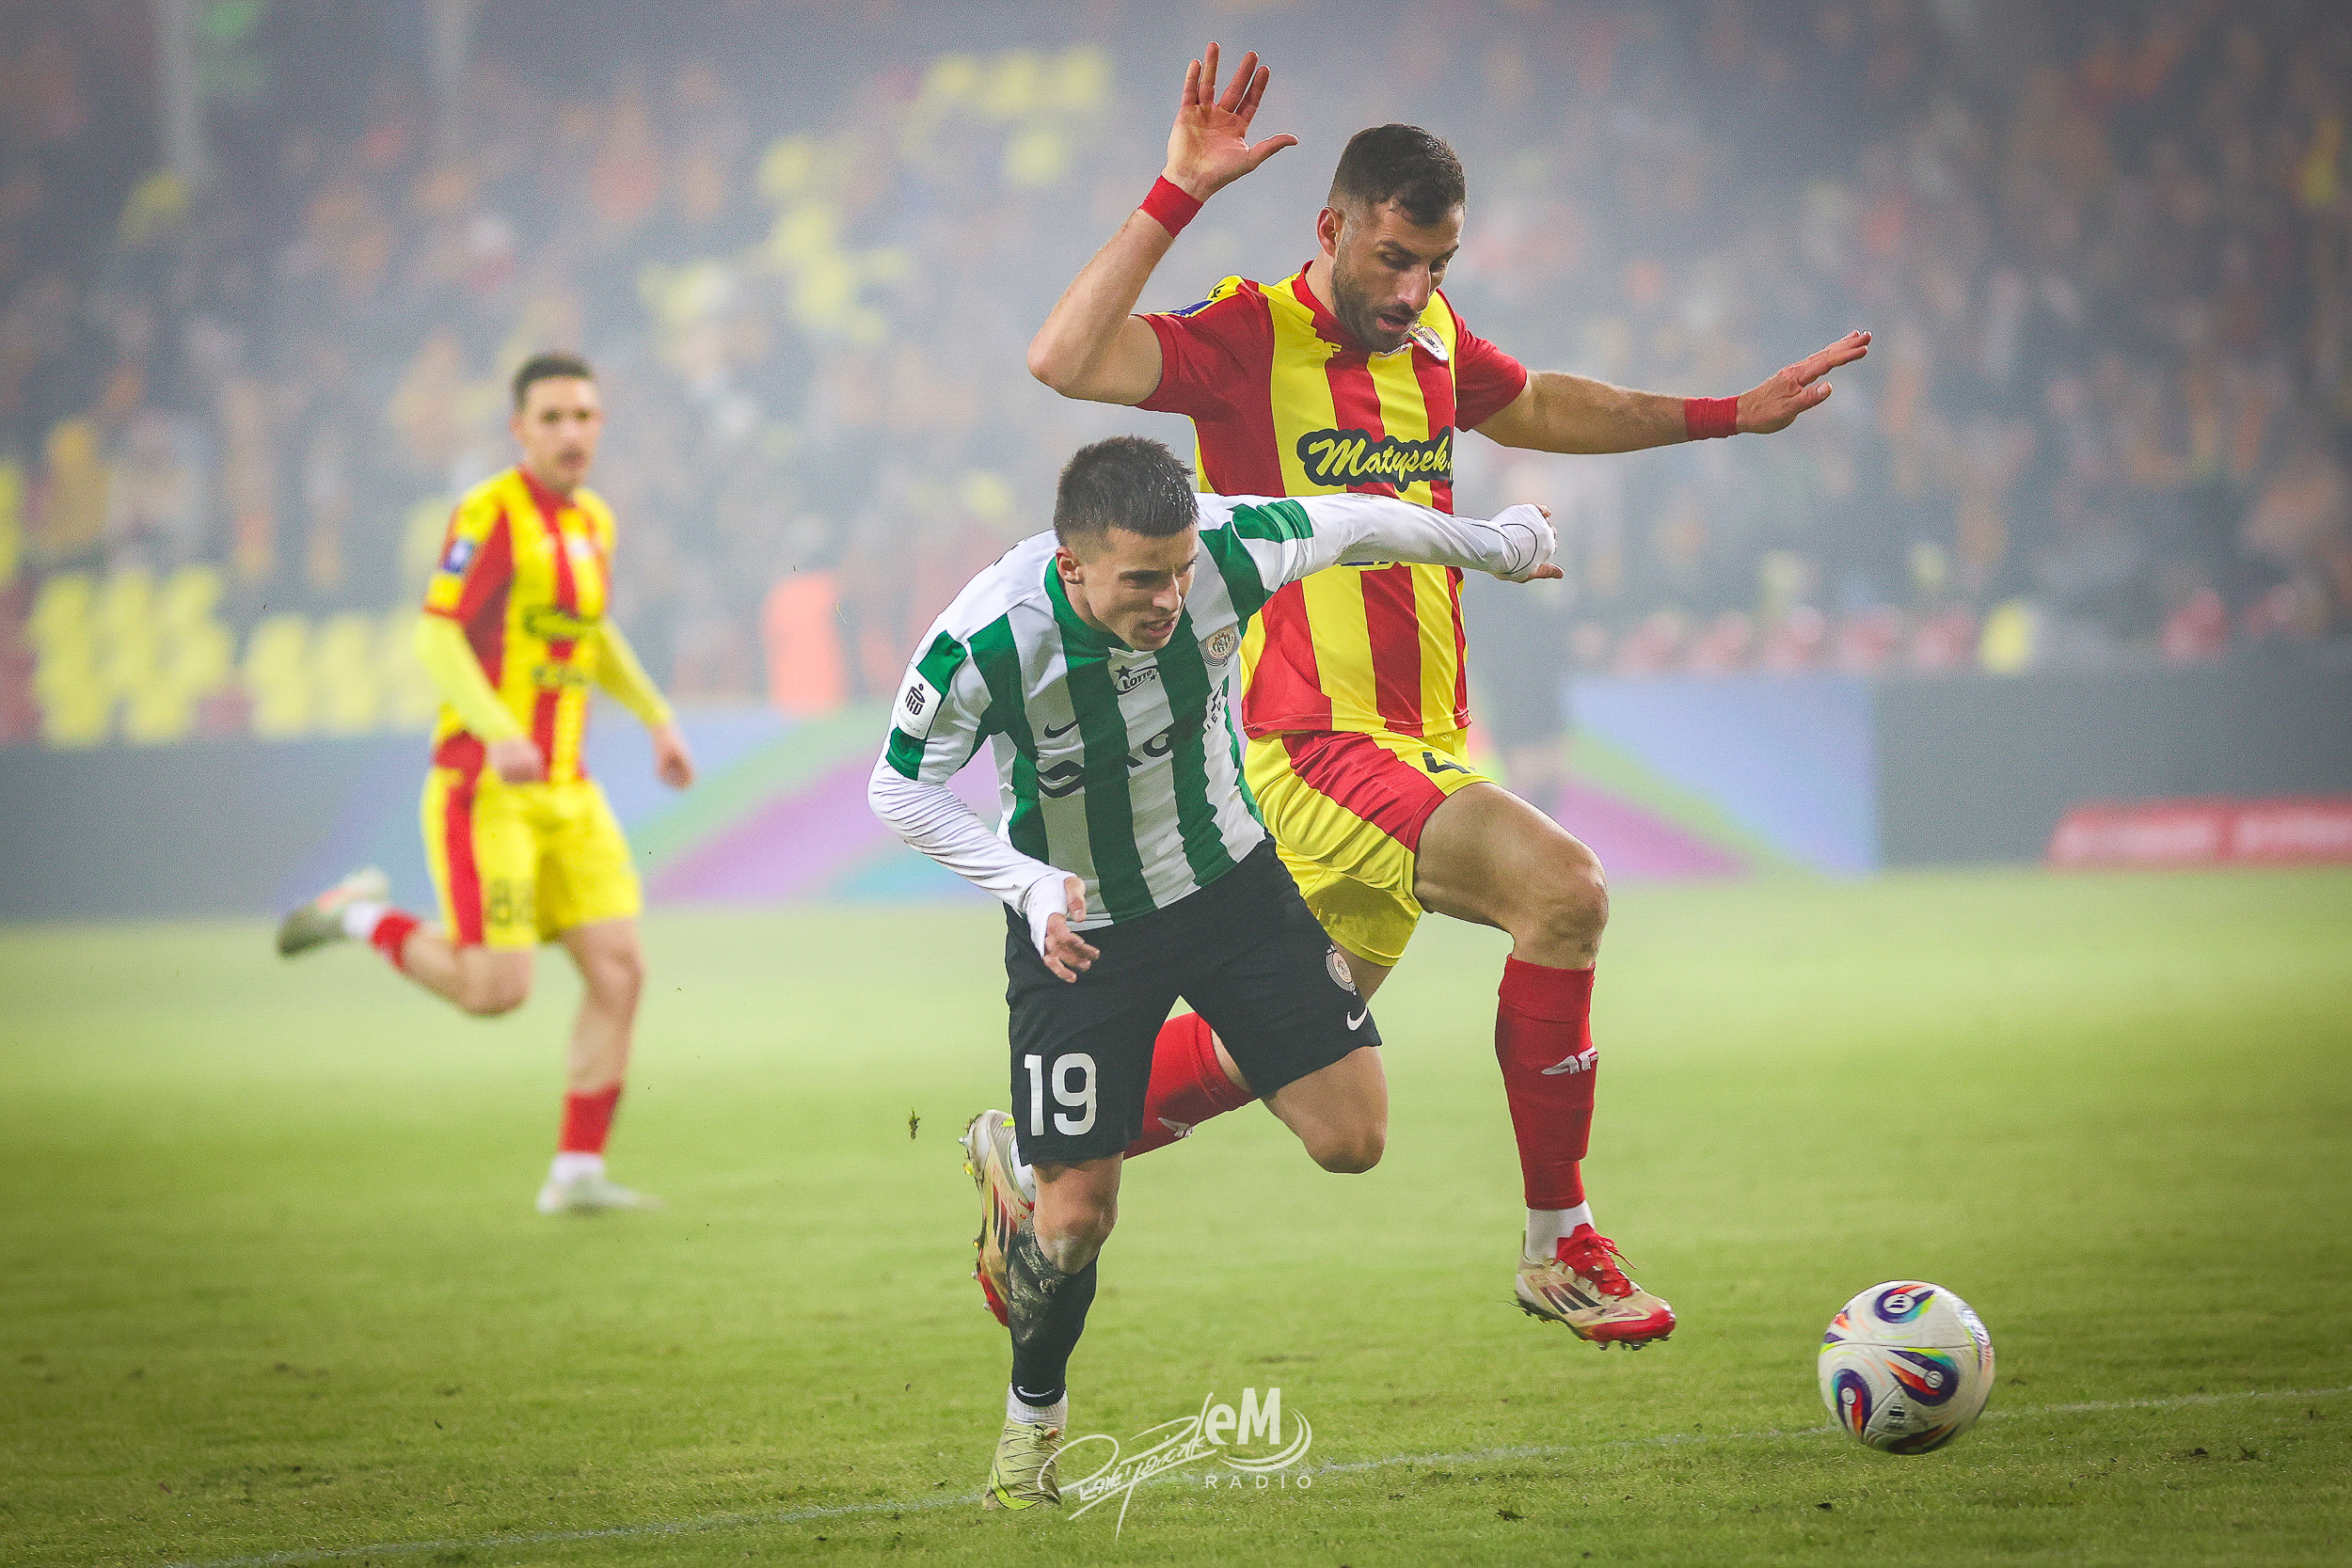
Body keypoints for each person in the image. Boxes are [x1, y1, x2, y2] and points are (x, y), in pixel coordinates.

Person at [1025, 44, 1870, 1346]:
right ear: (1331, 231)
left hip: (1415, 742)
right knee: (1565, 890)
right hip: (1311, 740)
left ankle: (1033, 1146)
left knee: (1283, 1063)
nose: (1413, 290)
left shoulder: (1429, 340)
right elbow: (1065, 357)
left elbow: (1541, 403)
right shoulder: (1249, 336)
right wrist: (1178, 188)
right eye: (1392, 260)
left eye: (1436, 264)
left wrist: (1723, 415)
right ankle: (1558, 1242)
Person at [868, 435, 1557, 1510]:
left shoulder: (1232, 548)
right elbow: (897, 788)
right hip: (1080, 925)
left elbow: (1359, 520)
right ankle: (1031, 1423)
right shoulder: (989, 636)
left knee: (1352, 1136)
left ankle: (1036, 1160)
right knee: (1077, 1221)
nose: (1169, 599)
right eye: (1142, 579)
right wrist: (1026, 883)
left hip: (1230, 884)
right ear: (1071, 563)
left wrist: (1497, 546)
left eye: (1180, 572)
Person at [276, 353, 695, 1216]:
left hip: (569, 789)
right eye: (552, 418)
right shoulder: (491, 513)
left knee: (620, 971)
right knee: (495, 991)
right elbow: (435, 634)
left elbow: (591, 634)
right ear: (520, 429)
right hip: (487, 788)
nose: (571, 432)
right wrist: (500, 730)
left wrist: (657, 717)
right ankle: (356, 915)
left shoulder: (594, 521)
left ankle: (576, 1173)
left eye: (584, 416)